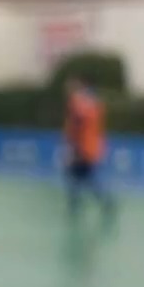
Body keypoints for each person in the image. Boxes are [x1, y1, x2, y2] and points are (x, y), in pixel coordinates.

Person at [61, 75, 118, 222]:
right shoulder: (92, 104)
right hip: (88, 147)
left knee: (82, 177)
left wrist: (74, 148)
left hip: (83, 148)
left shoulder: (81, 105)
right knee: (80, 177)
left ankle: (98, 203)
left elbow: (78, 126)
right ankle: (82, 204)